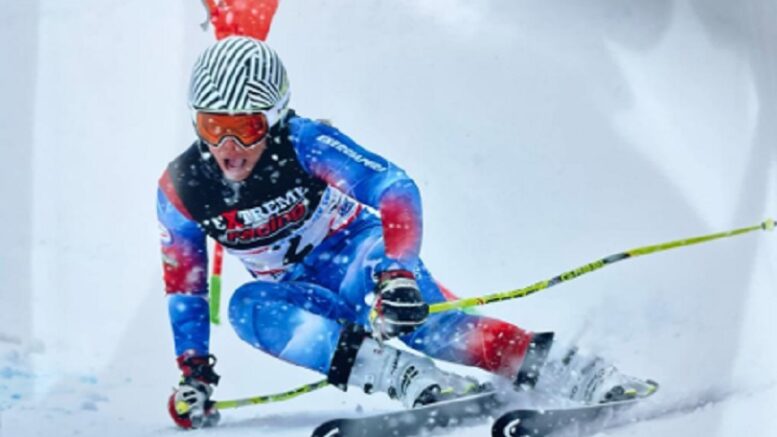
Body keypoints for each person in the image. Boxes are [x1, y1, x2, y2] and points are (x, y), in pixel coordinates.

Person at [158, 36, 657, 429]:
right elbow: (186, 287)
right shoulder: (182, 189)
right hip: (304, 296)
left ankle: (584, 375)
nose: (228, 147)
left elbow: (394, 186)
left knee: (438, 331)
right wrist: (194, 373)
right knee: (246, 308)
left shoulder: (304, 141)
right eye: (212, 126)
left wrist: (397, 272)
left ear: (273, 118)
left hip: (359, 257)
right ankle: (411, 379)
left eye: (245, 128)